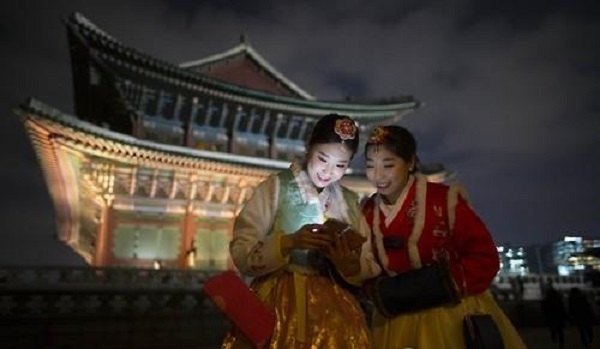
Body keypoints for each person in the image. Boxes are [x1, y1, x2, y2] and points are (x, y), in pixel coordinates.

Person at [222, 114, 381, 349]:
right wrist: (288, 242)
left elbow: (369, 261)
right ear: (309, 146)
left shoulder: (348, 201)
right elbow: (242, 250)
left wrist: (349, 264)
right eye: (322, 158)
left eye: (340, 165)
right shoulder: (277, 187)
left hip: (335, 311)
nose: (328, 171)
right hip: (279, 302)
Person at [361, 125, 527, 349]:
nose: (377, 176)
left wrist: (440, 283)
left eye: (388, 165)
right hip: (394, 321)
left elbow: (485, 258)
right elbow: (364, 269)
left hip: (450, 315)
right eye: (370, 166)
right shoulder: (367, 212)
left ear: (410, 163)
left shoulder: (443, 201)